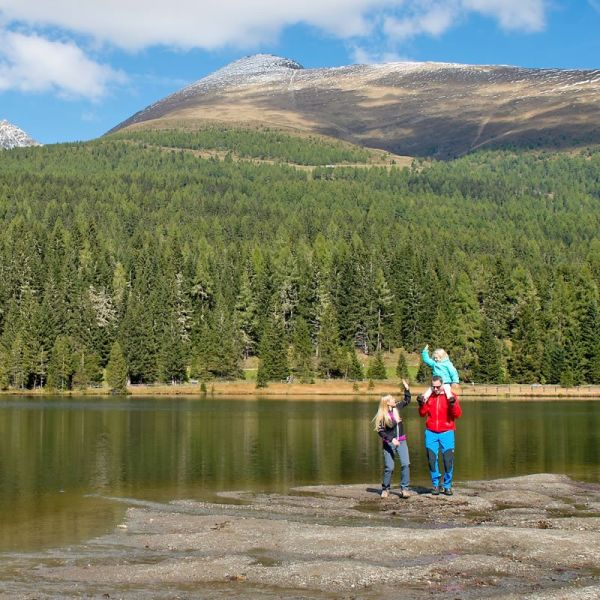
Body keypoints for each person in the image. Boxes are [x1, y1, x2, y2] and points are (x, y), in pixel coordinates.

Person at [418, 375, 462, 495]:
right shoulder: (429, 397)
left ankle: (447, 485)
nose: (436, 389)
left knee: (448, 461)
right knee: (432, 460)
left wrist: (452, 404)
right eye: (434, 387)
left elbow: (457, 414)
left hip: (447, 432)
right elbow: (422, 414)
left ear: (442, 385)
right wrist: (421, 404)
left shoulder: (451, 396)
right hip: (431, 432)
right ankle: (436, 485)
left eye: (438, 387)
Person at [373, 379, 411, 499]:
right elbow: (380, 431)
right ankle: (385, 489)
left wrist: (407, 389)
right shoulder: (382, 416)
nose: (395, 400)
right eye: (392, 400)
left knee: (406, 464)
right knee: (389, 467)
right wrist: (391, 439)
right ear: (387, 403)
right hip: (389, 443)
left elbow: (407, 400)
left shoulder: (397, 408)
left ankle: (404, 488)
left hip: (402, 440)